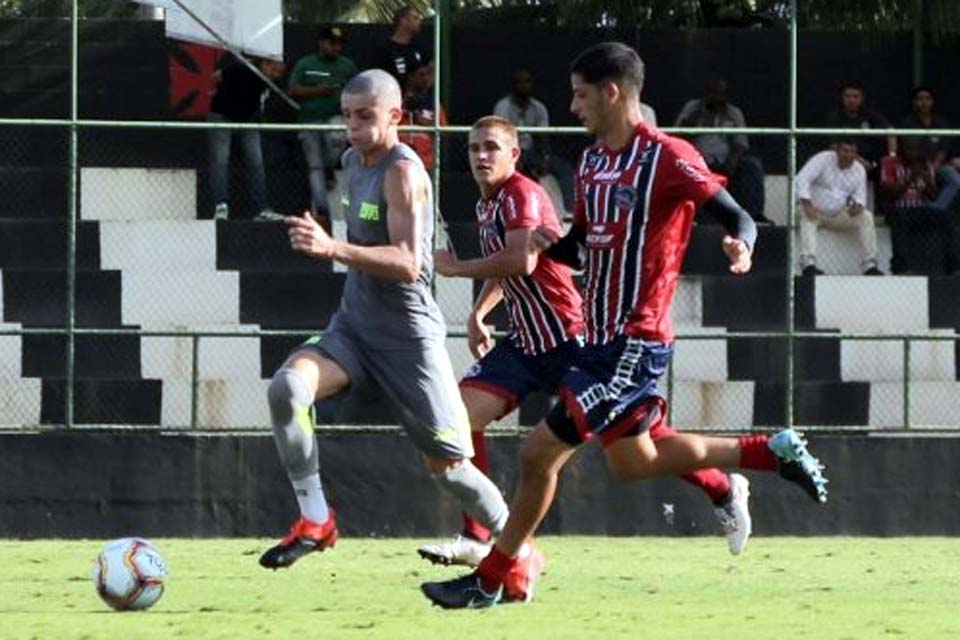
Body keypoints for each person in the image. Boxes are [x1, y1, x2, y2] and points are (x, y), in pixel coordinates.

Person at [421, 42, 828, 610]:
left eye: (581, 94)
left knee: (539, 454)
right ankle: (769, 453)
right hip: (597, 337)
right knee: (633, 460)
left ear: (612, 93)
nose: (572, 105)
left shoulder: (667, 155)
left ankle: (494, 575)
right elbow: (582, 240)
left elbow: (732, 212)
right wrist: (551, 245)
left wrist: (743, 242)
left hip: (635, 342)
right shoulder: (591, 161)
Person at [416, 116, 752, 569]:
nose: (480, 156)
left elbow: (520, 259)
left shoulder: (521, 195)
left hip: (572, 341)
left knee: (637, 442)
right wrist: (480, 312)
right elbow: (507, 263)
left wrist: (454, 269)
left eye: (491, 147)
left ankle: (724, 489)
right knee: (457, 417)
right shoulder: (488, 203)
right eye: (474, 148)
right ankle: (476, 535)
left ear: (514, 154)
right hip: (524, 346)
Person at [257, 70, 510, 572]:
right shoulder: (352, 161)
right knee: (287, 388)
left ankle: (515, 544)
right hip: (354, 326)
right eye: (347, 115)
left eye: (364, 116)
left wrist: (333, 247)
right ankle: (316, 520)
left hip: (407, 338)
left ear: (394, 116)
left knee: (451, 468)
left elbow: (409, 262)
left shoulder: (404, 172)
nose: (352, 126)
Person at [675, 78, 771, 224]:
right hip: (696, 159)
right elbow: (679, 135)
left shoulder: (733, 112)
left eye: (721, 94)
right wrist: (701, 111)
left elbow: (741, 143)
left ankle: (755, 214)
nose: (716, 98)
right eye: (713, 93)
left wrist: (731, 162)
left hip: (724, 160)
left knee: (753, 165)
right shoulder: (692, 107)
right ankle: (681, 215)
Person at [288, 26, 358, 223]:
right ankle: (321, 209)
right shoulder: (305, 63)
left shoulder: (347, 65)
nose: (336, 48)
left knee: (335, 139)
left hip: (336, 117)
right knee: (315, 165)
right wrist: (317, 91)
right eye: (331, 43)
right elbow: (293, 89)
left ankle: (329, 168)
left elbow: (358, 90)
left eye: (339, 44)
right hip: (309, 120)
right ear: (321, 43)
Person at [207, 55, 285, 220]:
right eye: (273, 70)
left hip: (248, 119)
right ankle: (220, 205)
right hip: (222, 115)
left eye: (279, 72)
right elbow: (215, 77)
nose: (275, 75)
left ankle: (261, 209)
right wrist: (218, 91)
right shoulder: (242, 68)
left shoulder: (266, 81)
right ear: (264, 63)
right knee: (220, 160)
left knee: (256, 162)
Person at [493, 67, 576, 215]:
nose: (523, 85)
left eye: (527, 82)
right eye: (519, 82)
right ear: (513, 85)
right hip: (508, 154)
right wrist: (512, 159)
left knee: (564, 169)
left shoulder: (538, 108)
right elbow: (500, 138)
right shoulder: (503, 106)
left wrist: (545, 158)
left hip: (531, 153)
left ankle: (569, 211)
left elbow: (544, 137)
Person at [797, 140, 883, 276]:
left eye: (852, 152)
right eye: (845, 150)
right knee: (806, 218)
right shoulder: (822, 159)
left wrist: (857, 206)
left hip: (839, 214)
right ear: (837, 150)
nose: (848, 155)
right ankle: (808, 264)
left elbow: (860, 196)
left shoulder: (859, 170)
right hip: (814, 210)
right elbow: (802, 179)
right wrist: (807, 203)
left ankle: (869, 265)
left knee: (866, 217)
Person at [885, 138, 959, 275]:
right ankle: (900, 267)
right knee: (900, 220)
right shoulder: (891, 162)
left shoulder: (925, 164)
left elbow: (933, 196)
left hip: (921, 209)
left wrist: (927, 179)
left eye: (916, 150)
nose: (913, 154)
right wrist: (910, 178)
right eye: (910, 149)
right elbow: (890, 195)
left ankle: (953, 266)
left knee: (948, 218)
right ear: (902, 149)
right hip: (898, 209)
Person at [823, 82, 896, 173]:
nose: (851, 100)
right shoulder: (835, 116)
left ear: (862, 98)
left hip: (870, 163)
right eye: (848, 96)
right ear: (842, 98)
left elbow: (890, 131)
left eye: (855, 96)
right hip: (844, 162)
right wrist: (858, 161)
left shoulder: (870, 113)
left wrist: (892, 157)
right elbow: (832, 146)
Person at [399, 59, 448, 172]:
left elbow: (444, 130)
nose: (425, 79)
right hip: (400, 160)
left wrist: (424, 121)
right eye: (421, 75)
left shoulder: (433, 103)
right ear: (411, 77)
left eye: (428, 74)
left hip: (425, 163)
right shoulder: (397, 101)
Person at [373, 4, 425, 86]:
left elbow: (428, 70)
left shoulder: (418, 47)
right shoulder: (384, 49)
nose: (420, 22)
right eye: (415, 18)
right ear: (403, 21)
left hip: (417, 97)